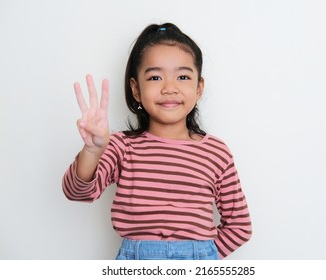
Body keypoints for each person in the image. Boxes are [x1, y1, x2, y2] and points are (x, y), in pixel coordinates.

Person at [62, 23, 252, 260]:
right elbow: (76, 192)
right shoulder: (121, 146)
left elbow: (240, 226)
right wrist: (92, 150)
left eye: (183, 76)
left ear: (199, 87)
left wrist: (205, 257)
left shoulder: (216, 152)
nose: (169, 88)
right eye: (155, 77)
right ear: (136, 89)